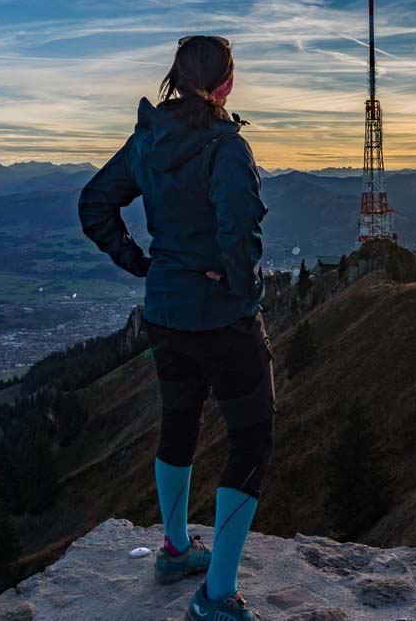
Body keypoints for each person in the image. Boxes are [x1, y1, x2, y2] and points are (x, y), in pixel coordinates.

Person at [78, 35, 274, 621]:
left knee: (180, 421)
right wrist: (240, 288)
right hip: (223, 319)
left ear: (175, 77)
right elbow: (240, 230)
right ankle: (216, 595)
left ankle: (175, 549)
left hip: (165, 315)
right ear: (227, 84)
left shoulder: (148, 139)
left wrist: (143, 263)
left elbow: (94, 205)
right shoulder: (227, 149)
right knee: (252, 439)